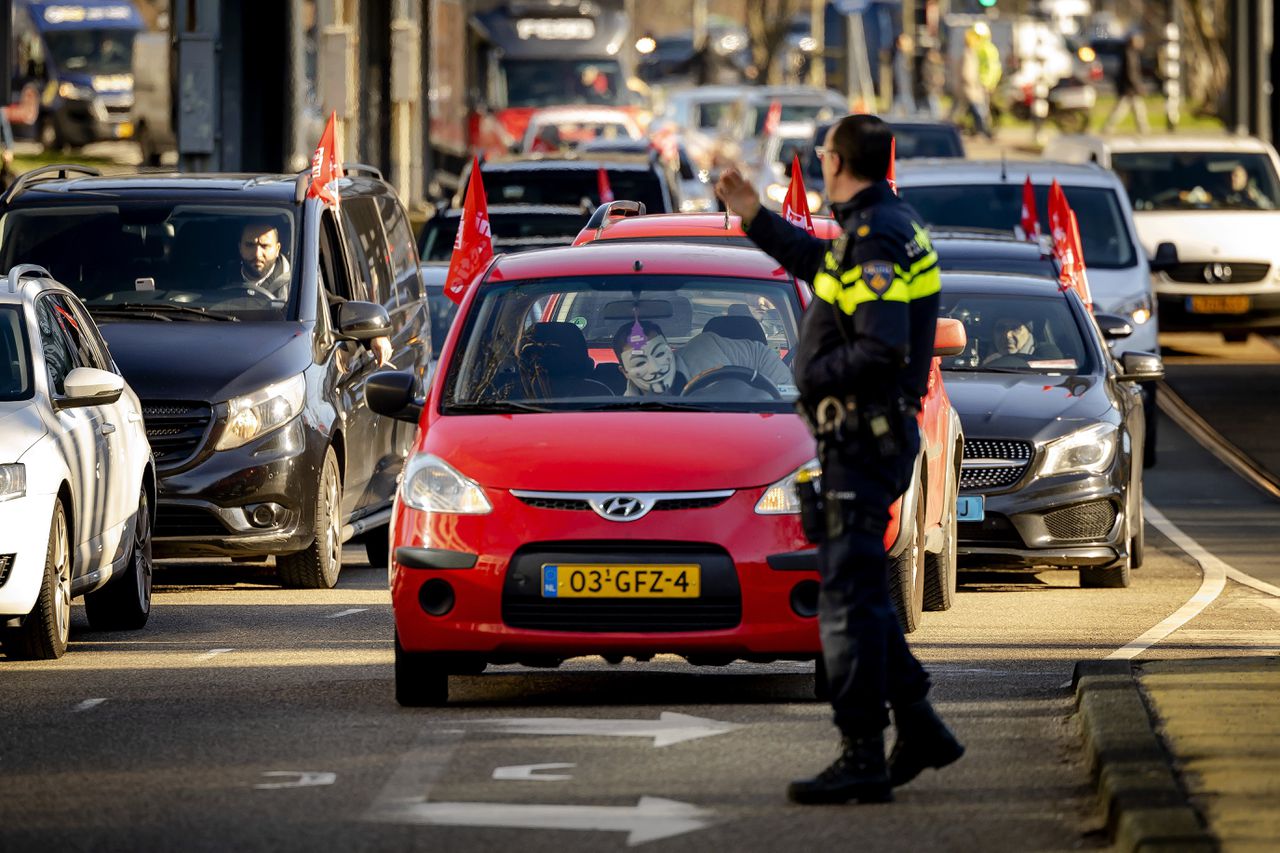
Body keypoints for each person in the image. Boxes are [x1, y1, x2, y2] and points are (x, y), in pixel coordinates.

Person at [715, 114, 963, 805]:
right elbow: (819, 265)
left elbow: (881, 348)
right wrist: (756, 216)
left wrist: (813, 373)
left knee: (848, 603)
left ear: (838, 160)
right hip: (866, 437)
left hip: (864, 436)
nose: (819, 163)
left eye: (823, 153)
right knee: (859, 595)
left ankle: (863, 753)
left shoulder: (879, 233)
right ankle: (916, 724)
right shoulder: (878, 225)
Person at [611, 320, 792, 397]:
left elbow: (760, 354)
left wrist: (780, 400)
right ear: (624, 372)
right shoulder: (621, 417)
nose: (654, 367)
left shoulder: (710, 348)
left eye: (659, 354)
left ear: (670, 350)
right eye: (640, 362)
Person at [1101, 31, 1149, 134]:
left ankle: (1143, 128)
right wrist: (1138, 86)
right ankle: (1108, 127)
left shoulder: (1130, 53)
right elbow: (1131, 73)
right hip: (1128, 88)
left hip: (1128, 88)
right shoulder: (1129, 54)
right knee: (1122, 109)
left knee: (1136, 108)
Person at [238, 221, 292, 300]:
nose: (257, 254)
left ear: (277, 249)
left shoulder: (294, 286)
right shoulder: (221, 280)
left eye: (265, 246)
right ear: (240, 248)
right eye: (250, 245)